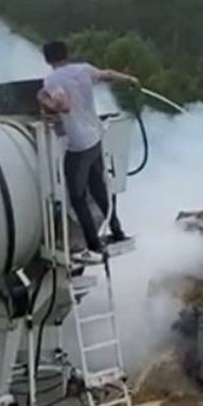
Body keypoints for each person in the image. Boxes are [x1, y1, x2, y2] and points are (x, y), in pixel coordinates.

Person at [37, 40, 140, 264]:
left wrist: (44, 99)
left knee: (77, 196)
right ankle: (117, 231)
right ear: (67, 54)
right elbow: (108, 74)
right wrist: (130, 80)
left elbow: (63, 106)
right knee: (99, 188)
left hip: (78, 145)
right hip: (96, 138)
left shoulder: (53, 79)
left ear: (47, 59)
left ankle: (93, 244)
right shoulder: (83, 69)